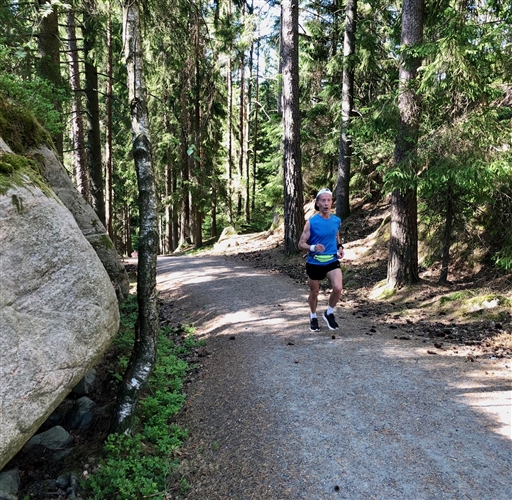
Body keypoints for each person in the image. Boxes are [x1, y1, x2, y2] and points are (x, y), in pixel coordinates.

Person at [298, 188, 344, 332]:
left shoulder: (336, 221)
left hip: (331, 261)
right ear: (317, 203)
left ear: (332, 202)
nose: (326, 203)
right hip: (314, 262)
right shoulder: (311, 222)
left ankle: (329, 313)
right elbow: (301, 244)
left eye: (329, 200)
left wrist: (340, 247)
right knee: (314, 293)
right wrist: (313, 247)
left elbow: (336, 236)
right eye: (323, 200)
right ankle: (313, 316)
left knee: (338, 288)